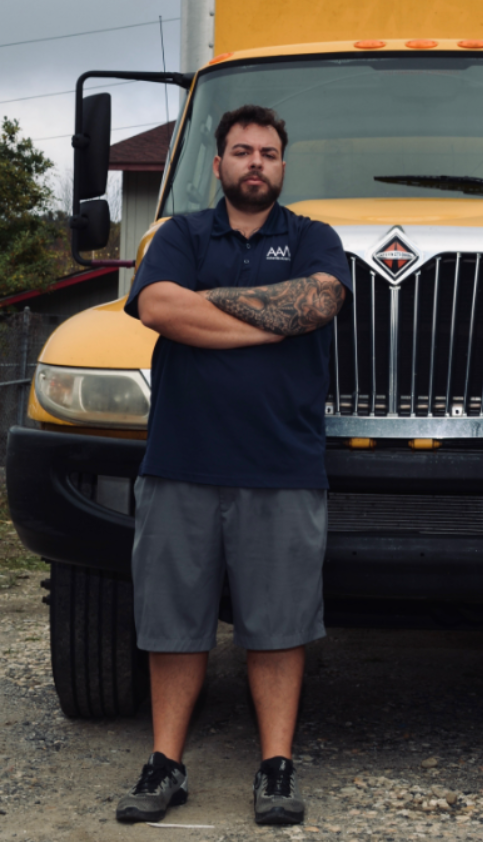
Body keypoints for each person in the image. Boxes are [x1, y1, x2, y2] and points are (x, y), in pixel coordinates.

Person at [116, 104, 351, 827]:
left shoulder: (315, 237)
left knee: (277, 626)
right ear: (216, 166)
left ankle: (276, 768)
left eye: (269, 153)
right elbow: (159, 306)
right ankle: (165, 764)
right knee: (173, 622)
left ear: (283, 166)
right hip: (181, 459)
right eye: (242, 152)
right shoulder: (180, 233)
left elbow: (316, 305)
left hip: (282, 462)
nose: (256, 163)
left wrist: (209, 310)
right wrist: (263, 321)